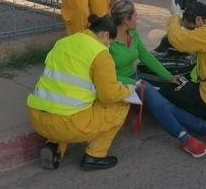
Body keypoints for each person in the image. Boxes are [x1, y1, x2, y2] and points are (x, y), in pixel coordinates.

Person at [108, 0, 206, 158]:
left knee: (164, 100)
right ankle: (187, 138)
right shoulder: (108, 42)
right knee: (149, 91)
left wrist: (168, 76)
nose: (137, 18)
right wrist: (135, 83)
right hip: (116, 84)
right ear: (126, 20)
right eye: (135, 15)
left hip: (134, 79)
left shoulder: (132, 34)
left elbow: (147, 58)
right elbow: (106, 75)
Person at [27, 14, 132, 171]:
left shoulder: (62, 43)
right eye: (110, 42)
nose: (109, 45)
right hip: (68, 124)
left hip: (37, 117)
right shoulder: (101, 54)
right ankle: (95, 156)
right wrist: (126, 90)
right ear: (105, 35)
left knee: (65, 108)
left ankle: (54, 147)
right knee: (121, 106)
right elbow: (108, 96)